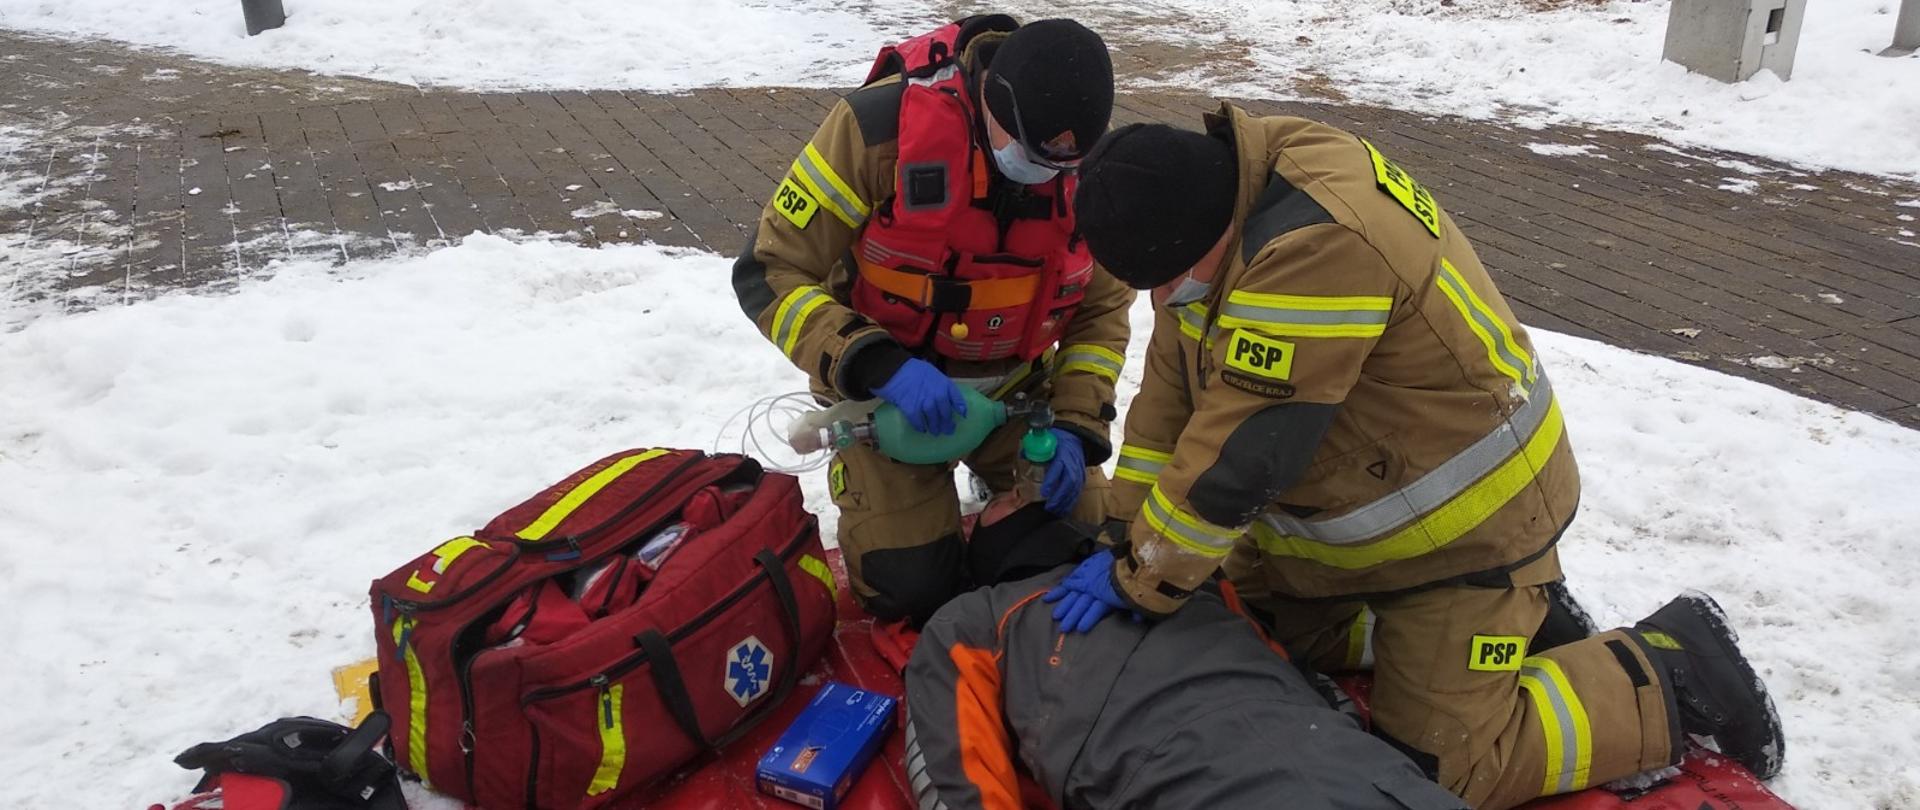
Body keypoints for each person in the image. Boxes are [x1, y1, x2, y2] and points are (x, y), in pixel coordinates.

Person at [1041, 103, 1785, 810]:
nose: (1169, 297)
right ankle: (1495, 638)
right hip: (1356, 522)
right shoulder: (1226, 198)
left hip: (1469, 536)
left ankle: (1668, 668)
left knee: (1442, 771)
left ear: (1205, 231)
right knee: (1243, 628)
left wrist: (1143, 576)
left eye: (1172, 278)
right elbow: (1170, 405)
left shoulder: (1312, 248)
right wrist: (1124, 534)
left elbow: (1243, 455)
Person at [731, 15, 1134, 626]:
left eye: (1059, 164)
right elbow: (769, 270)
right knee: (910, 591)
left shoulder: (1085, 162)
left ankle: (998, 489)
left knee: (1082, 546)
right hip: (887, 400)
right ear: (991, 101)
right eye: (1029, 152)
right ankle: (882, 486)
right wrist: (875, 364)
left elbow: (1101, 310)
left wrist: (1077, 423)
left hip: (1016, 399)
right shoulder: (877, 130)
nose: (1042, 172)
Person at [903, 495, 1473, 810]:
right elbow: (960, 767)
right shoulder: (983, 617)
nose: (1023, 493)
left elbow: (1290, 669)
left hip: (1327, 768)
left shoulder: (1182, 577)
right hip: (1224, 777)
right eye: (1003, 501)